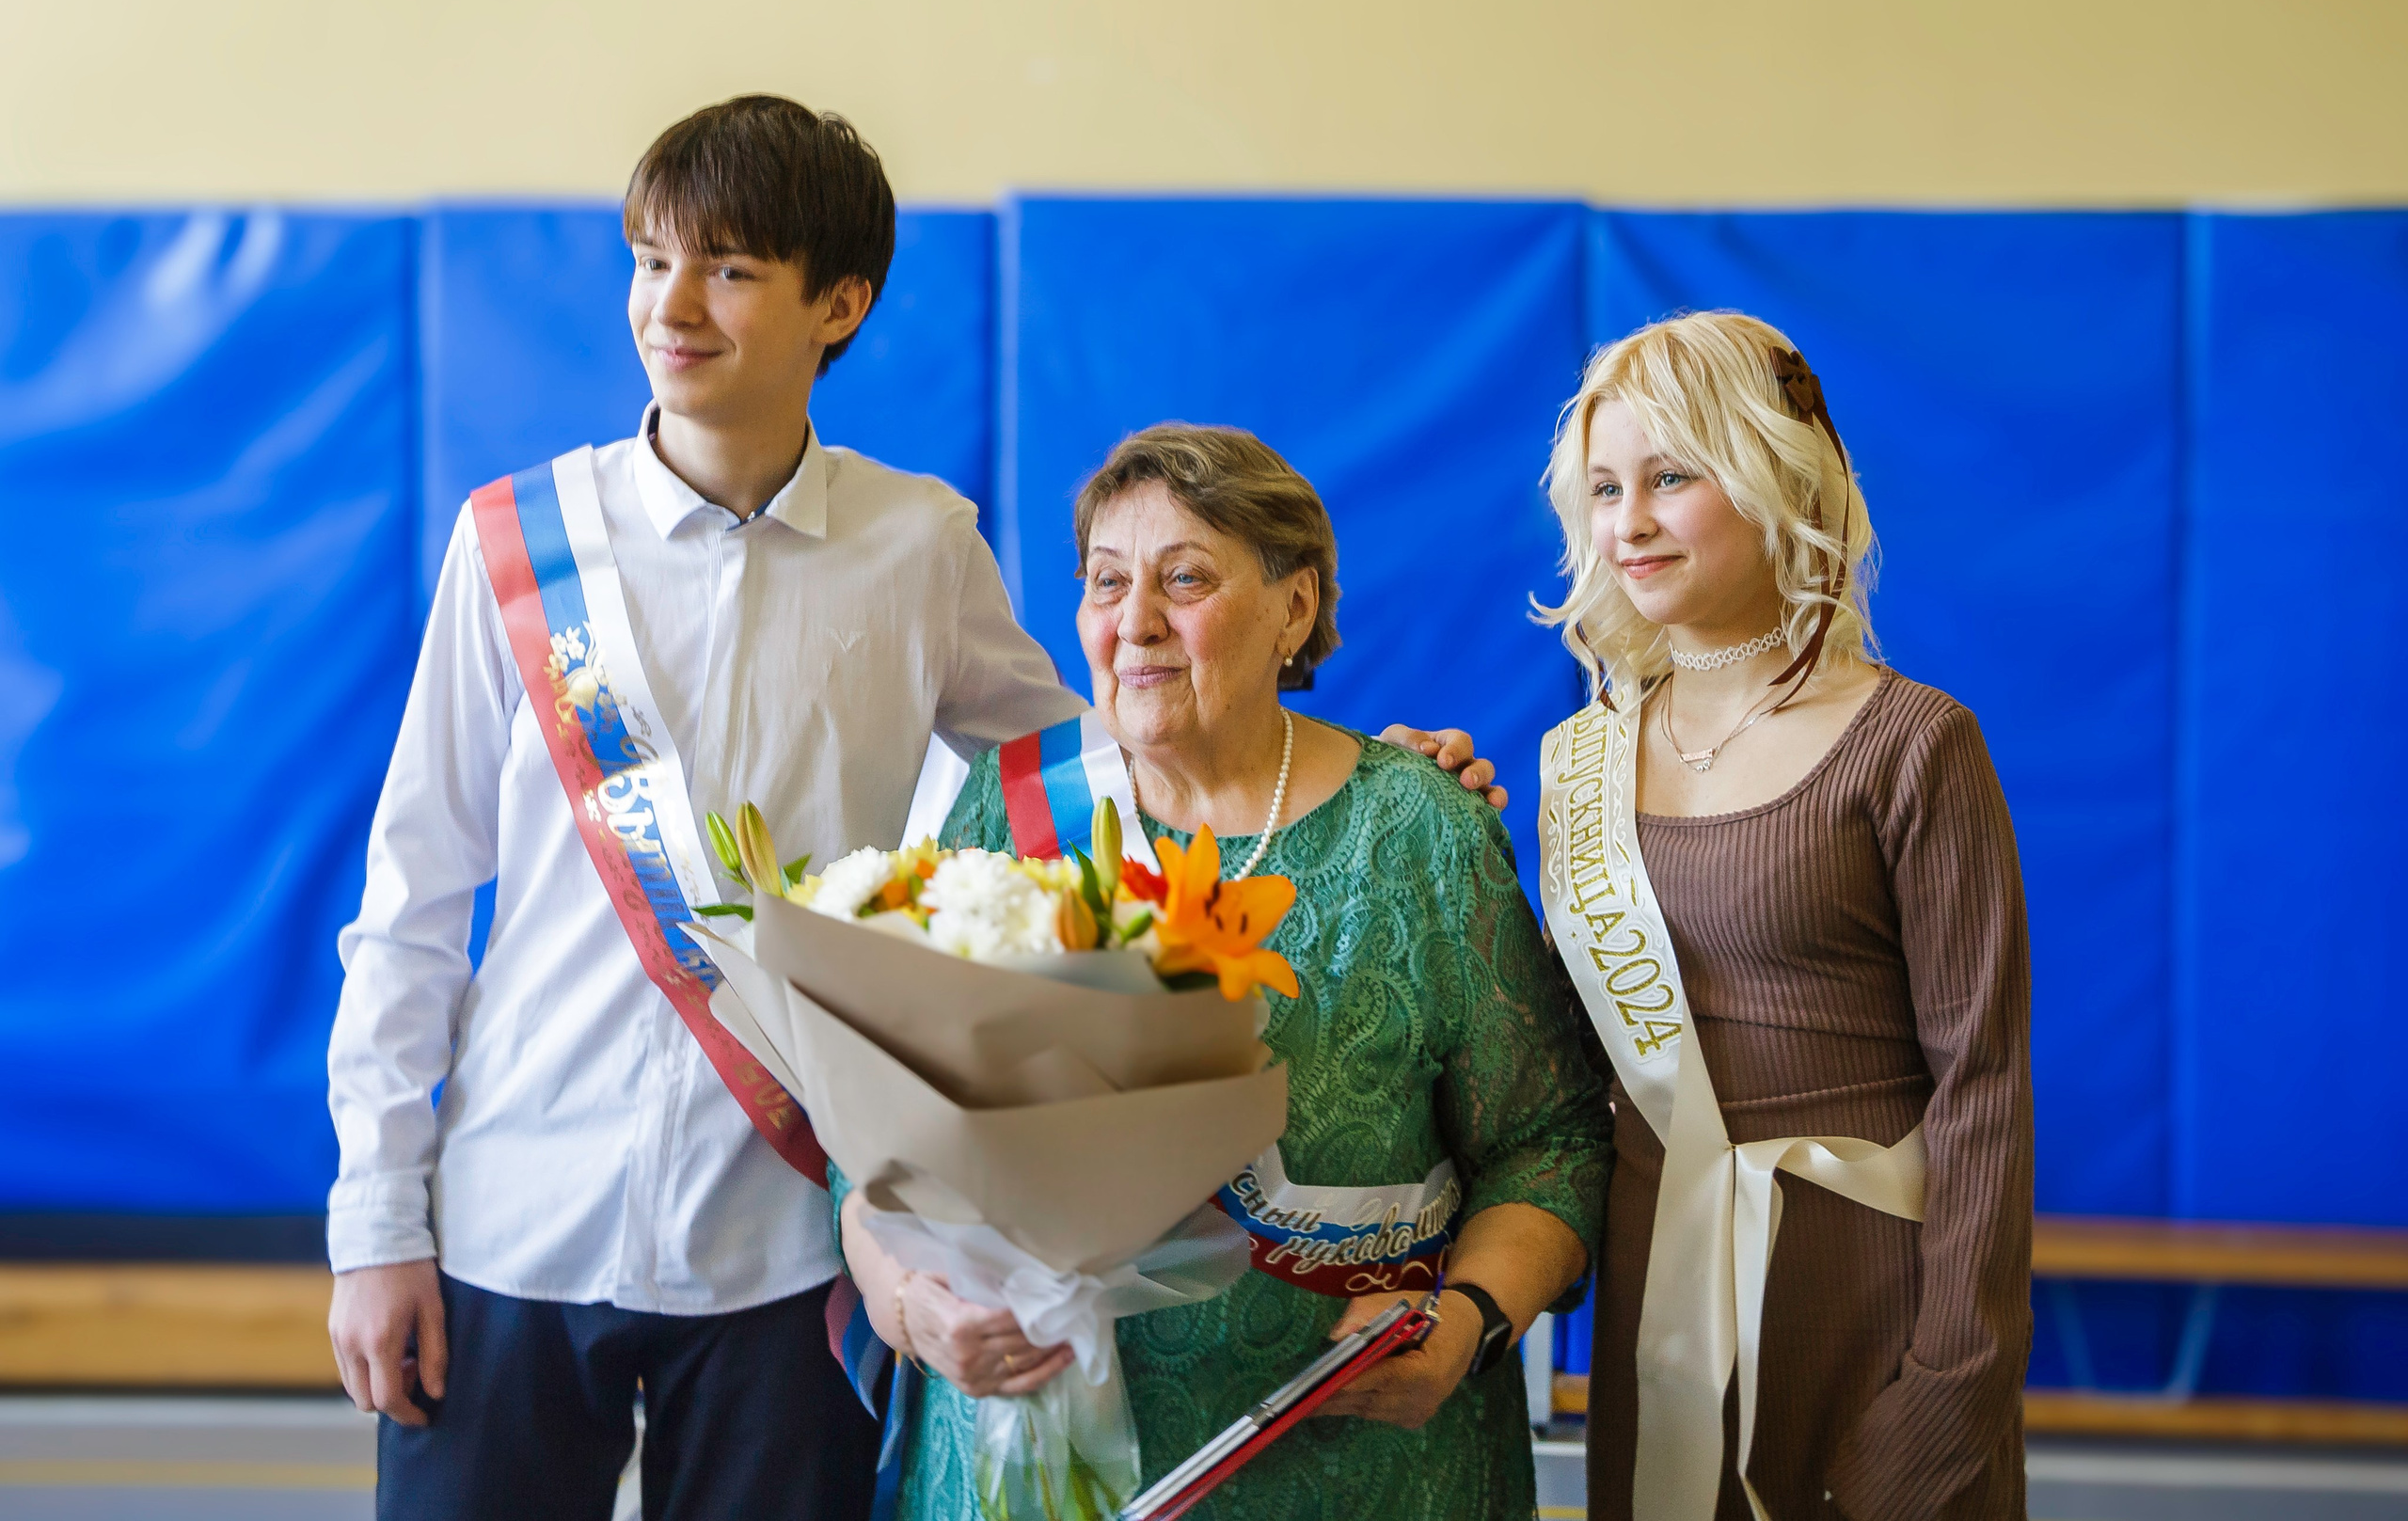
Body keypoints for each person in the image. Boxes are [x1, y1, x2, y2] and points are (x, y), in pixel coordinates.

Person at [325, 97, 1503, 1521]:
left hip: (790, 1242)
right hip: (512, 1219)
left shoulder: (917, 541)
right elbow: (412, 902)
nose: (671, 306)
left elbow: (1117, 767)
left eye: (730, 270)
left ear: (841, 301)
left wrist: (1371, 772)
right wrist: (377, 1223)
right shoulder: (513, 543)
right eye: (649, 261)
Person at [832, 423, 1611, 1519]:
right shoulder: (1006, 813)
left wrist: (1473, 1313)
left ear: (1294, 608)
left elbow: (1552, 1138)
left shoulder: (1421, 832)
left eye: (1184, 578)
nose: (1134, 621)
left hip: (1359, 1464)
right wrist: (909, 1305)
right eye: (1106, 581)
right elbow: (871, 1132)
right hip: (1030, 1452)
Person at [1532, 310, 2032, 1521]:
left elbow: (1984, 1092)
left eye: (1671, 475)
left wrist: (1947, 1390)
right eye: (1603, 486)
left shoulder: (1914, 744)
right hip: (1662, 1306)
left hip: (1870, 1306)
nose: (1628, 521)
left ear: (1772, 475)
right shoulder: (1575, 762)